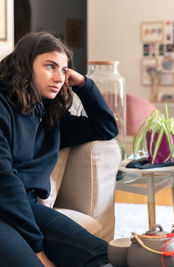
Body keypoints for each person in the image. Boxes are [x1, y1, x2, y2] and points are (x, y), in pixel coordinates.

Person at [0, 32, 118, 266]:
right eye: (50, 66)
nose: (59, 77)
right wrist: (37, 248)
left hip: (27, 207)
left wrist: (85, 84)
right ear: (25, 65)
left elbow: (105, 127)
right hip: (4, 206)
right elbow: (4, 180)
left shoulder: (50, 117)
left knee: (104, 256)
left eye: (63, 70)